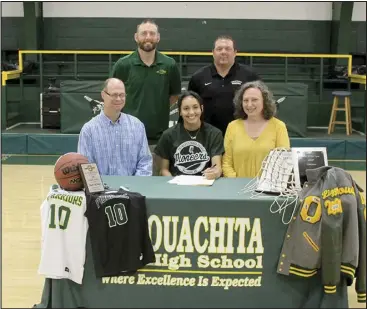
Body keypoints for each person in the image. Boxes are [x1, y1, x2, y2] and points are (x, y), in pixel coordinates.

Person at [110, 19, 182, 144]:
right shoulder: (123, 65)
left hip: (159, 137)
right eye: (144, 33)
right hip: (128, 135)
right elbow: (111, 96)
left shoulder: (169, 64)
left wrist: (156, 109)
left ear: (158, 37)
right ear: (136, 37)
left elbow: (174, 95)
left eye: (152, 33)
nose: (148, 37)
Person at [77, 78, 152, 176]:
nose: (118, 99)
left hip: (132, 189)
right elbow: (86, 166)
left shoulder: (137, 126)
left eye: (122, 95)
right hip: (102, 189)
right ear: (103, 95)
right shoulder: (89, 130)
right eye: (114, 95)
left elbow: (145, 162)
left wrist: (135, 186)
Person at [188, 35, 260, 136]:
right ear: (213, 53)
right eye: (219, 49)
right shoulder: (198, 77)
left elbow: (261, 104)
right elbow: (189, 106)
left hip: (242, 134)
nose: (223, 52)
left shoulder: (250, 76)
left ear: (235, 53)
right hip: (207, 136)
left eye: (228, 49)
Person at [222, 80, 290, 178]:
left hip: (268, 189)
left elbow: (283, 162)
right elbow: (226, 163)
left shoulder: (279, 126)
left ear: (265, 101)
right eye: (245, 100)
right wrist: (236, 183)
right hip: (237, 188)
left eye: (254, 100)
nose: (249, 105)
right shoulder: (232, 126)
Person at [154, 90, 224, 180]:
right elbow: (163, 170)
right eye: (186, 108)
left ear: (201, 109)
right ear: (179, 112)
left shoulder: (214, 133)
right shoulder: (168, 135)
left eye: (195, 107)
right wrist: (174, 184)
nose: (191, 112)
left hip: (205, 185)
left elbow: (217, 168)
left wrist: (215, 173)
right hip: (177, 187)